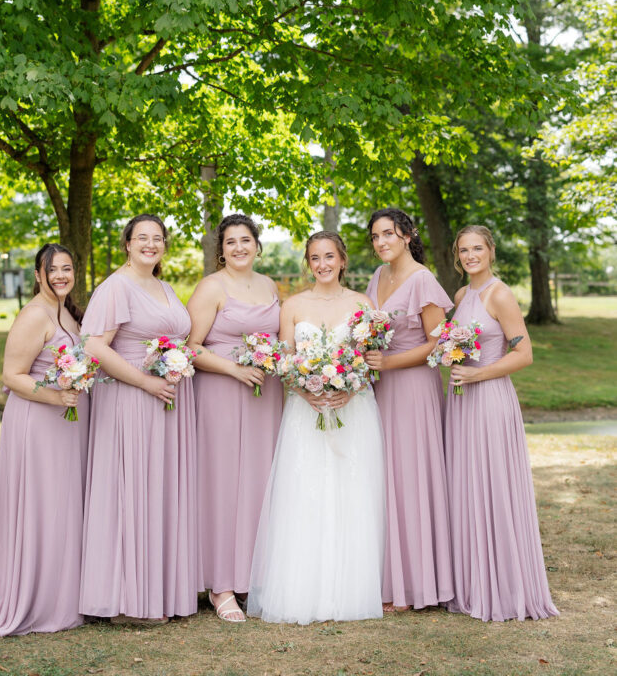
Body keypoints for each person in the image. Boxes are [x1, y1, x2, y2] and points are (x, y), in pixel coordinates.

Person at [247, 231, 385, 625]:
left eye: (329, 257)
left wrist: (352, 386)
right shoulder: (292, 305)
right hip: (304, 412)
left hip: (352, 409)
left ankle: (349, 589)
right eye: (314, 258)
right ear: (308, 263)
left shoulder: (362, 304)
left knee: (351, 491)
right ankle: (301, 589)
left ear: (342, 260)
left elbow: (369, 359)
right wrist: (305, 390)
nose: (322, 264)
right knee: (304, 494)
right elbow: (285, 362)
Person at [79, 214, 199, 622]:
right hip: (131, 399)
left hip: (167, 402)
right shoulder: (115, 287)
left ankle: (159, 590)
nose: (150, 244)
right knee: (131, 490)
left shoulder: (164, 287)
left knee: (158, 489)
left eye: (158, 238)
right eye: (142, 238)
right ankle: (127, 599)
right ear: (127, 244)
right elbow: (95, 346)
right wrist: (145, 384)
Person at [0, 243, 88, 636]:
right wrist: (57, 396)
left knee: (64, 505)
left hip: (66, 424)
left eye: (67, 269)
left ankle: (63, 595)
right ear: (38, 274)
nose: (60, 276)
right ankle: (36, 600)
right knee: (43, 505)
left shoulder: (65, 311)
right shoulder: (34, 315)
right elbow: (12, 375)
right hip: (38, 421)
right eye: (52, 270)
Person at [445, 225, 559, 622]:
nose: (471, 255)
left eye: (478, 248)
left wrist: (479, 374)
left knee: (492, 484)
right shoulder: (461, 296)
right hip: (460, 401)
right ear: (456, 256)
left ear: (491, 251)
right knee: (466, 485)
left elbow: (524, 354)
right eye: (464, 250)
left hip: (490, 399)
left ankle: (504, 585)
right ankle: (472, 581)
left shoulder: (500, 294)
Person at [187, 214, 281, 623]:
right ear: (220, 249)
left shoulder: (269, 286)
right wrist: (235, 370)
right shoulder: (210, 287)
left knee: (260, 482)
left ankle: (250, 576)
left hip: (266, 397)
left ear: (257, 245)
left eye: (246, 240)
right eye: (230, 242)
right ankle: (220, 585)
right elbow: (188, 348)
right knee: (223, 484)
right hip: (222, 394)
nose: (239, 248)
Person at [365, 208, 454, 612]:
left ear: (407, 235)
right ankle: (387, 579)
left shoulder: (423, 279)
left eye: (388, 234)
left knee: (411, 478)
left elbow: (439, 343)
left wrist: (390, 363)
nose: (382, 242)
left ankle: (416, 586)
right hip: (379, 389)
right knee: (385, 479)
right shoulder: (377, 278)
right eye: (375, 237)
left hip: (414, 387)